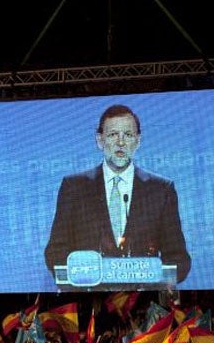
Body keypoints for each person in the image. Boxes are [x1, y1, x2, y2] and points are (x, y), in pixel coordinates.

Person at [44, 104, 191, 285]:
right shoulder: (74, 187)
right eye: (113, 135)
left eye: (128, 135)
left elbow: (179, 258)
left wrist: (151, 277)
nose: (120, 142)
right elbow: (55, 252)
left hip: (141, 301)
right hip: (89, 300)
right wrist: (82, 275)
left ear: (138, 141)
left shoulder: (161, 190)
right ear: (100, 140)